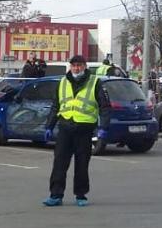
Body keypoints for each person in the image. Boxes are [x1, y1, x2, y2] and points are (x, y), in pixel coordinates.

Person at [42, 55, 112, 207]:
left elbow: (104, 107)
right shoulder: (63, 82)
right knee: (59, 163)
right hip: (65, 127)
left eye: (79, 65)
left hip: (84, 129)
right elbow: (56, 106)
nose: (76, 68)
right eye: (74, 65)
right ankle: (55, 195)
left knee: (82, 164)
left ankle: (81, 195)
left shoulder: (94, 82)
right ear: (70, 67)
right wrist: (49, 126)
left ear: (85, 66)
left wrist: (103, 128)